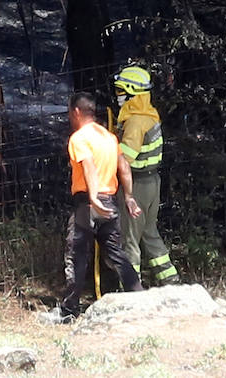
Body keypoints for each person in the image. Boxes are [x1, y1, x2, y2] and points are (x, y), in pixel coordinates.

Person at [58, 92, 143, 320]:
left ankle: (69, 310)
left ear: (76, 112)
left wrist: (93, 197)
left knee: (76, 254)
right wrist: (129, 197)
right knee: (116, 253)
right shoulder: (109, 137)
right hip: (110, 201)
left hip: (89, 202)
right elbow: (123, 167)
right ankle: (139, 297)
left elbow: (88, 167)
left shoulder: (79, 138)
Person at [113, 66, 179, 285]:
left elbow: (125, 159)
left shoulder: (134, 122)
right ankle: (170, 280)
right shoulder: (150, 115)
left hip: (137, 185)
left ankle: (132, 289)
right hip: (153, 182)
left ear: (133, 93)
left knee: (129, 239)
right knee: (150, 233)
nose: (118, 96)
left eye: (121, 91)